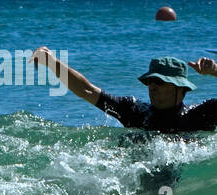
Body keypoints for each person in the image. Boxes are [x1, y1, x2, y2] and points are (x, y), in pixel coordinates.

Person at [32, 49, 217, 133]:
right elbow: (86, 91)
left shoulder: (199, 115)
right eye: (150, 81)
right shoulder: (135, 111)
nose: (152, 86)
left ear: (180, 87)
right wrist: (51, 62)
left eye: (160, 82)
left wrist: (215, 72)